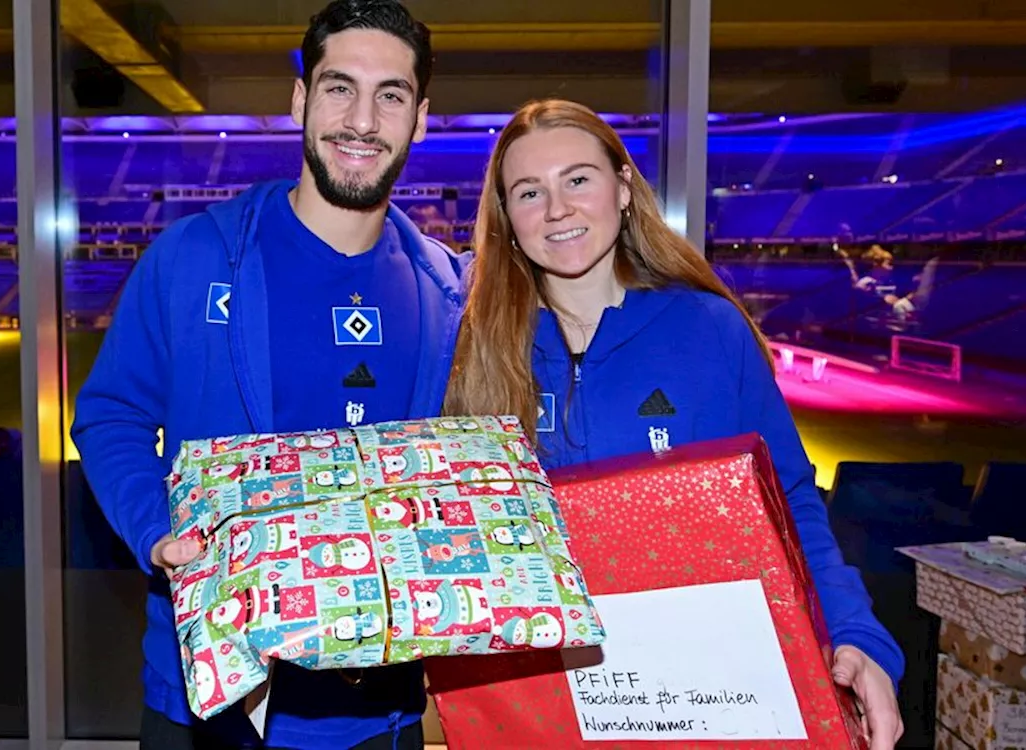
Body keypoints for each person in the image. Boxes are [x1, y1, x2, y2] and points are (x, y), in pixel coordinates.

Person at [443, 98, 905, 749]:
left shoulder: (709, 330)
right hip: (542, 704)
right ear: (508, 220)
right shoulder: (471, 354)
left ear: (623, 188)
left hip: (707, 688)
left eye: (578, 179)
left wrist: (857, 636)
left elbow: (792, 503)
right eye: (529, 191)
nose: (557, 208)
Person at [70, 2, 465, 748]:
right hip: (209, 703)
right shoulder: (191, 259)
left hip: (380, 713)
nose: (362, 119)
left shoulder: (449, 291)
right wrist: (159, 532)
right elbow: (111, 413)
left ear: (420, 119)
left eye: (392, 95)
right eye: (339, 87)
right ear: (300, 101)